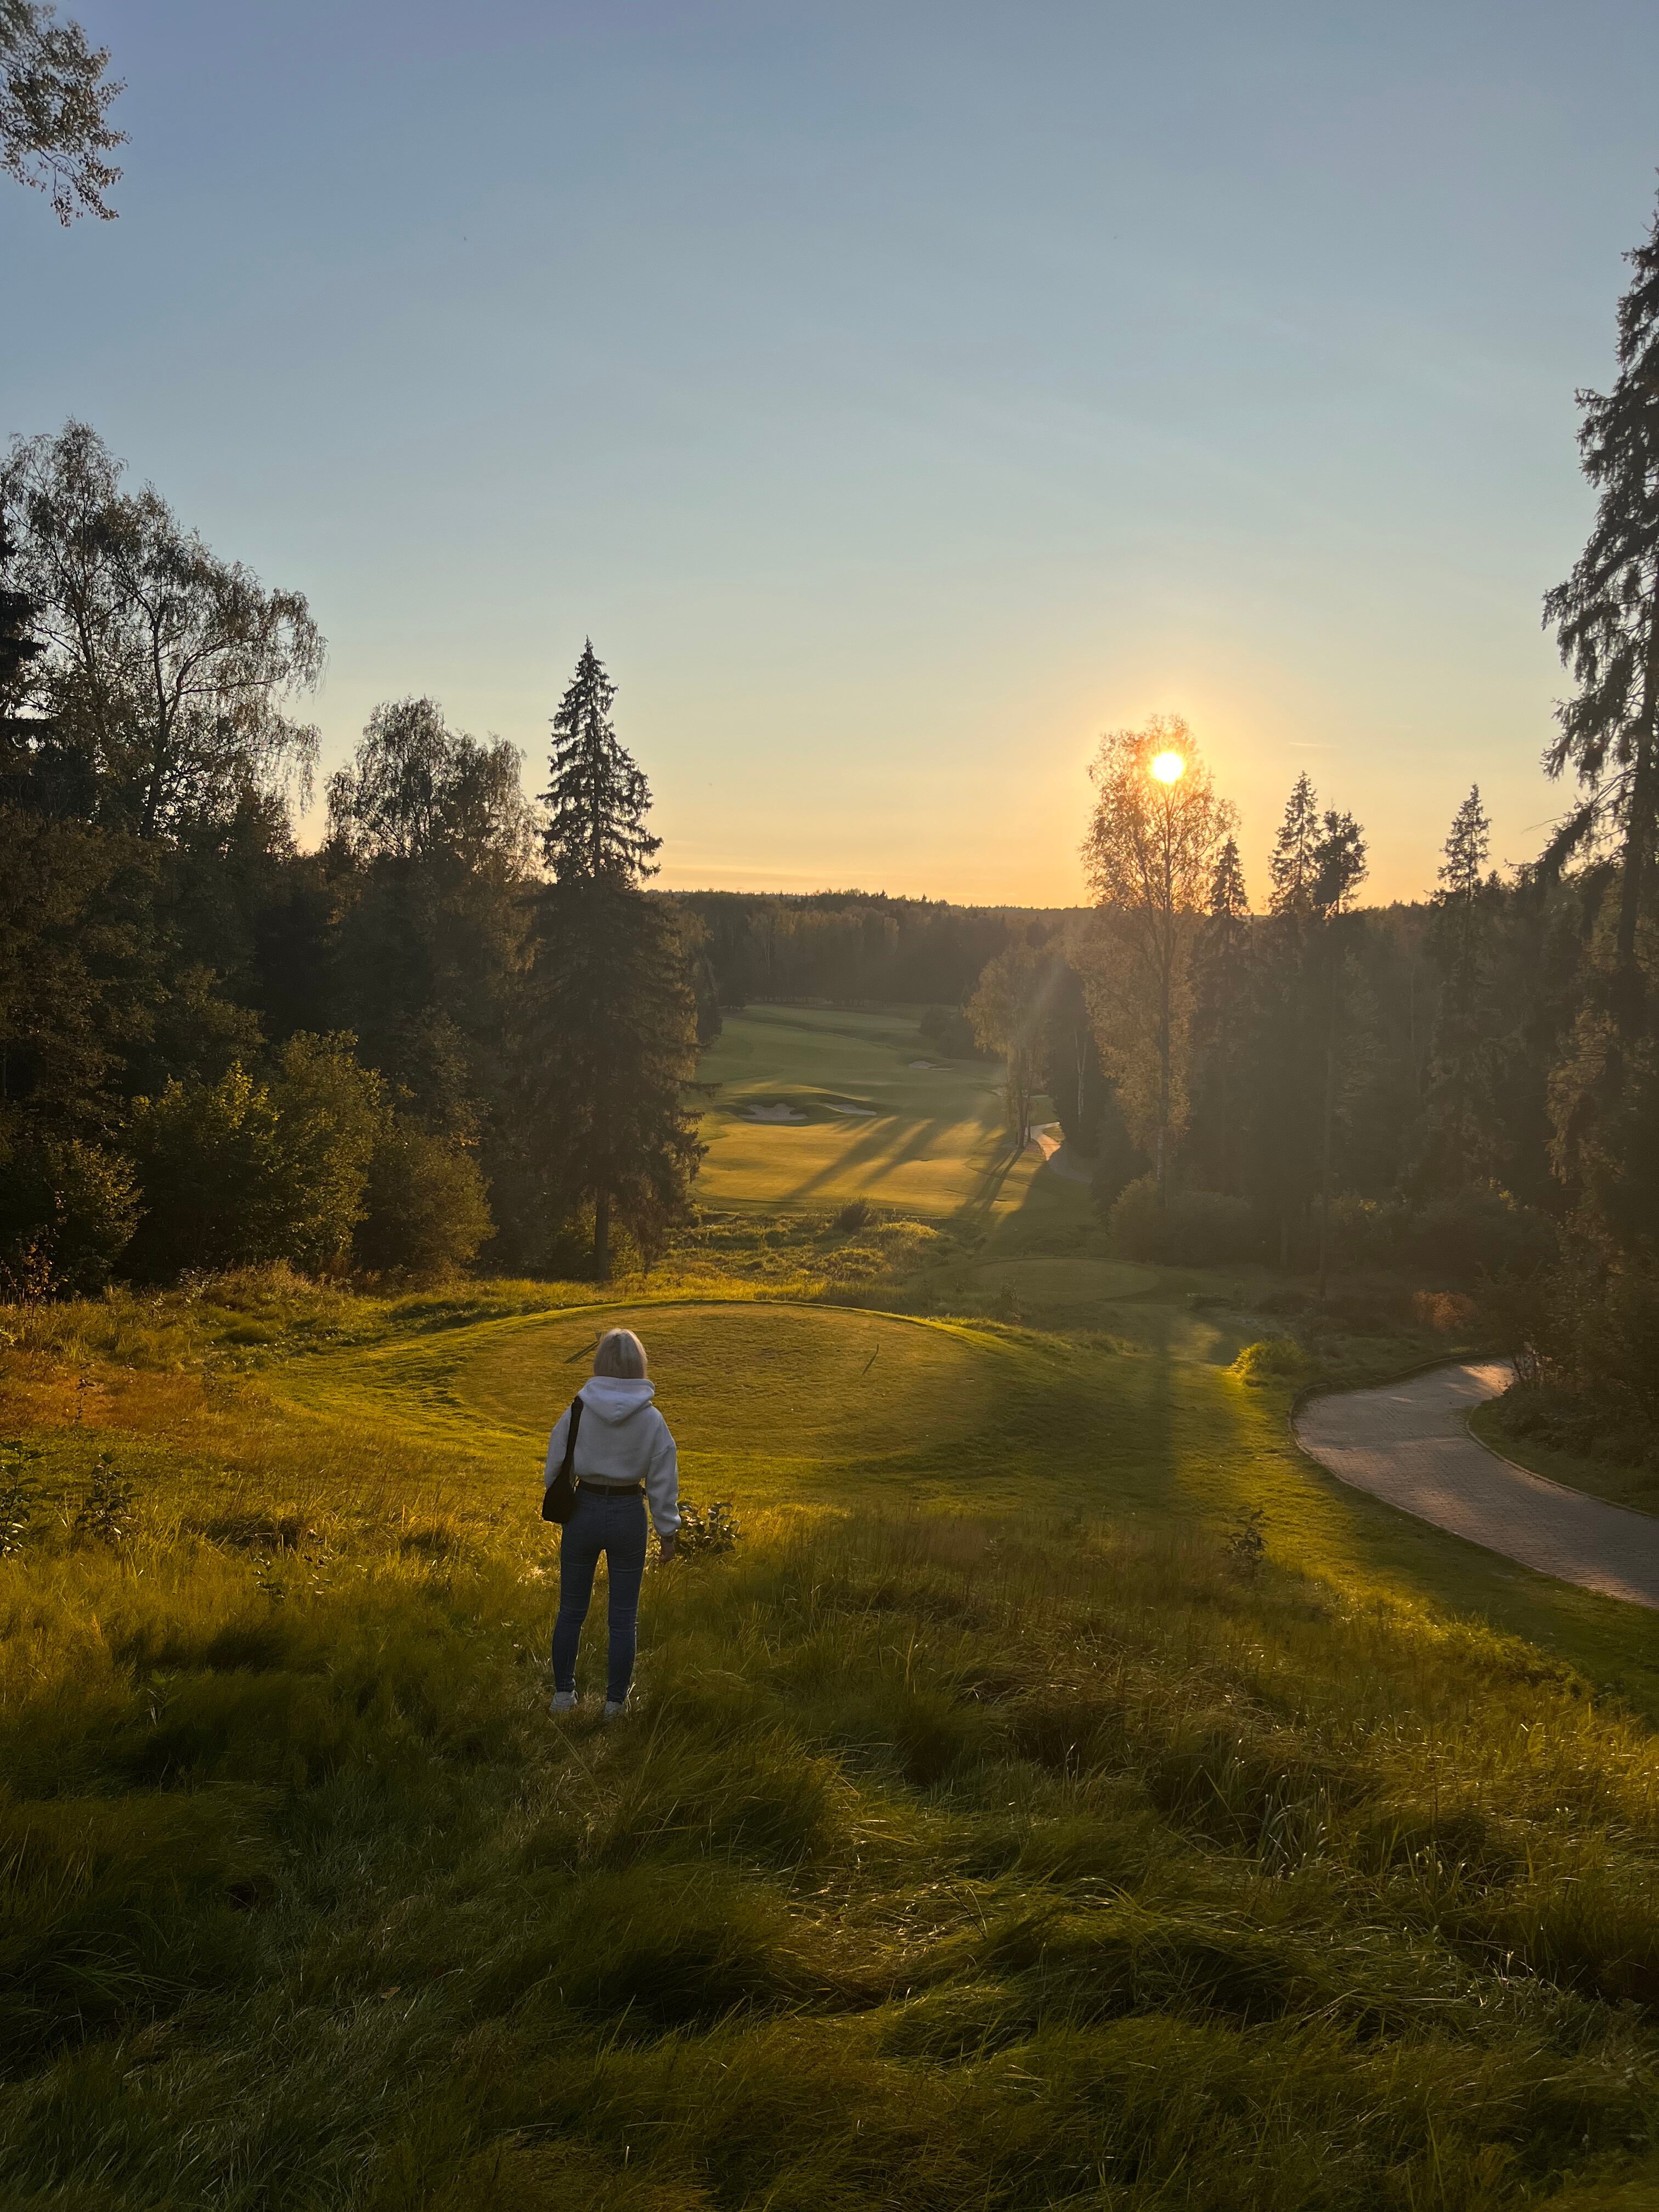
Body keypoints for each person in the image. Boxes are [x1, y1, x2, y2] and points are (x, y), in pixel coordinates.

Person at [544, 1327, 679, 1717]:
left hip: (582, 1508)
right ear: (641, 1365)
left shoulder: (578, 1409)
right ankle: (614, 1704)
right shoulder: (652, 1419)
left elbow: (555, 1464)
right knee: (623, 1618)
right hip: (628, 1513)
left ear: (599, 1362)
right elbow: (663, 1480)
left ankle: (563, 1696)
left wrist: (563, 1493)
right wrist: (667, 1533)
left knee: (571, 1610)